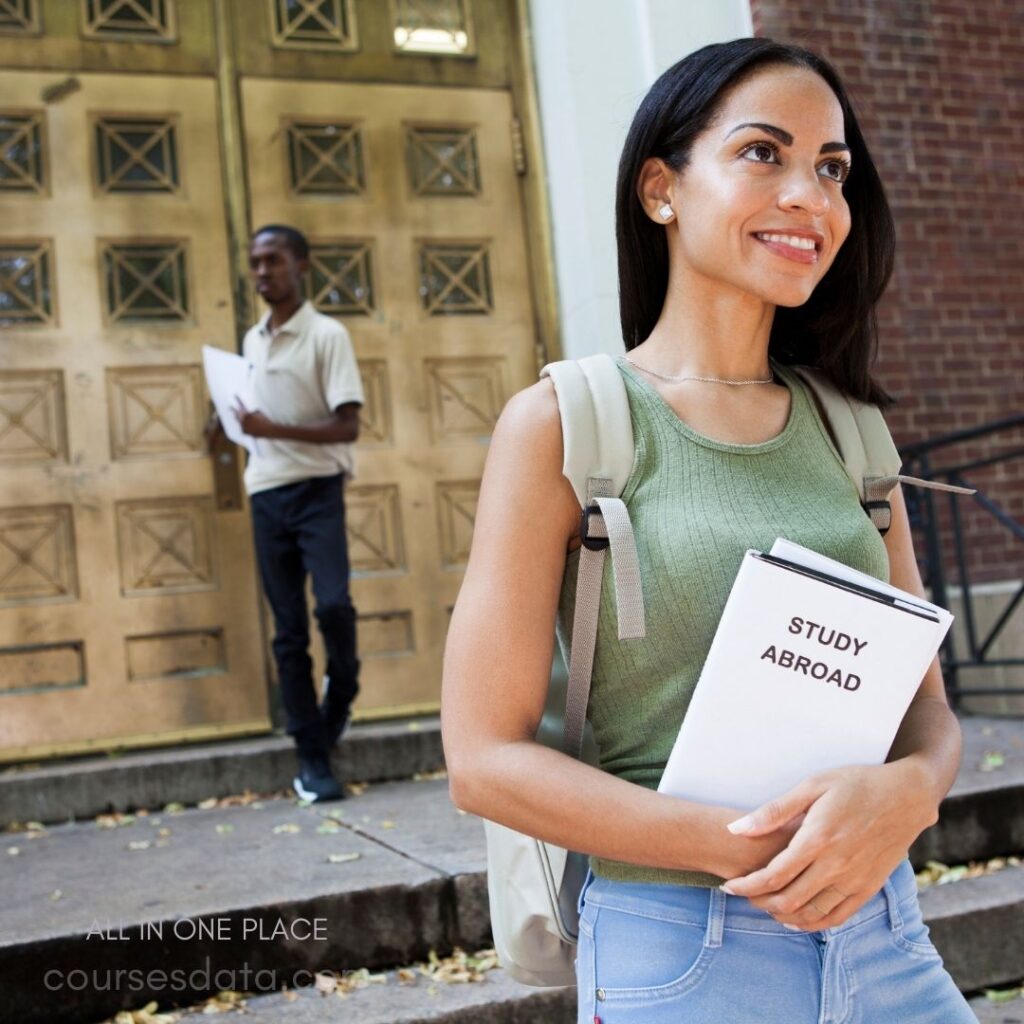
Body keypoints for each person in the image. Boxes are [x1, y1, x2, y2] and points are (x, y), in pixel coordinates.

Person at [441, 38, 977, 1023]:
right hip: (681, 948)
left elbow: (927, 713)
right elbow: (482, 758)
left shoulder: (852, 431)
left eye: (831, 168)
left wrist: (912, 791)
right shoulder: (568, 423)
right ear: (661, 188)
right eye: (762, 153)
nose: (810, 196)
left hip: (886, 935)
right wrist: (743, 846)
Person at [209, 225, 364, 803]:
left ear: (301, 265)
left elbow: (347, 424)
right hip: (266, 491)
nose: (261, 272)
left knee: (332, 605)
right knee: (289, 633)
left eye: (272, 260)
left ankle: (343, 689)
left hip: (318, 490)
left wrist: (271, 428)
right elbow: (254, 421)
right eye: (254, 262)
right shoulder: (251, 340)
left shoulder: (327, 335)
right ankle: (311, 756)